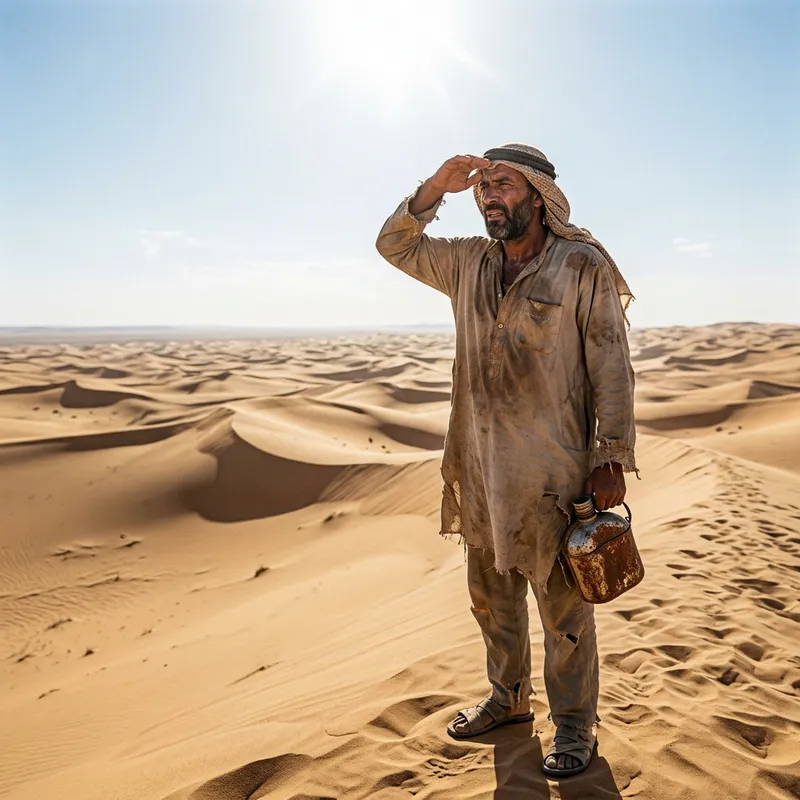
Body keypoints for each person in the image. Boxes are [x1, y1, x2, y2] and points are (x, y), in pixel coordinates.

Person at [375, 143, 637, 779]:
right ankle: (508, 700)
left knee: (564, 615)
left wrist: (612, 455)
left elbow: (611, 360)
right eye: (482, 186)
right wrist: (435, 185)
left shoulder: (580, 265)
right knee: (491, 600)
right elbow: (396, 245)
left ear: (539, 196)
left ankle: (574, 729)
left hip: (555, 473)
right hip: (480, 469)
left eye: (504, 184)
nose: (488, 194)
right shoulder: (467, 261)